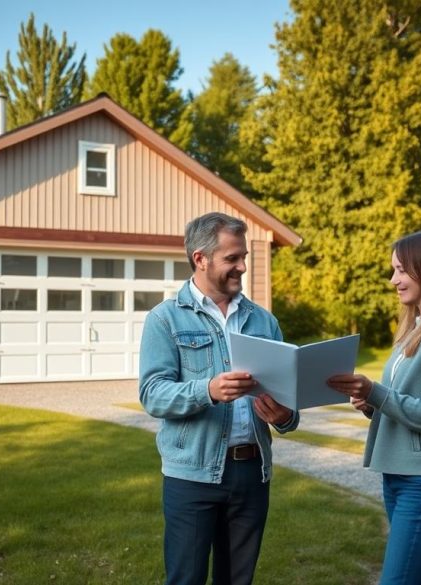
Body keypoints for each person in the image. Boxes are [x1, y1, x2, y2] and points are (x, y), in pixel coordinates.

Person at [139, 212, 300, 585]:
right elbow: (152, 394)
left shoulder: (264, 321)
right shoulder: (165, 320)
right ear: (201, 258)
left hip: (252, 473)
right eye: (232, 258)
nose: (242, 266)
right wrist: (207, 390)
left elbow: (289, 404)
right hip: (191, 476)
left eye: (243, 256)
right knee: (186, 579)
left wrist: (283, 415)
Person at [327, 231, 421, 585]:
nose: (393, 280)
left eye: (401, 270)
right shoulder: (415, 326)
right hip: (400, 479)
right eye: (393, 270)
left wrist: (376, 392)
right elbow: (407, 401)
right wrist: (370, 403)